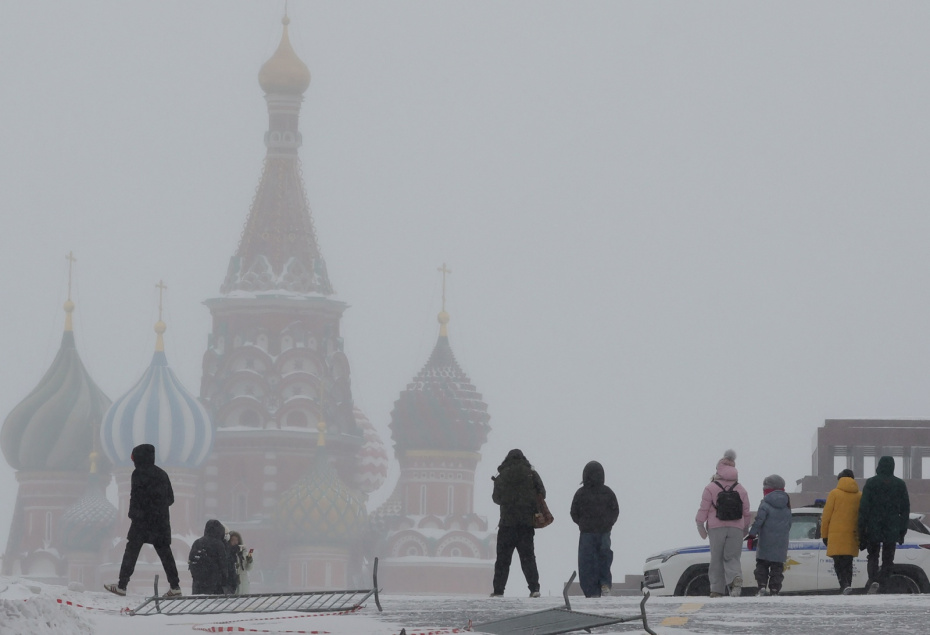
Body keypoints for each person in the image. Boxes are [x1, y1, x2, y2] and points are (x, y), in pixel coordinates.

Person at [104, 444, 182, 597]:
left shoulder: (138, 474)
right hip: (161, 522)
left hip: (142, 522)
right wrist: (158, 508)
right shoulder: (162, 474)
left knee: (131, 552)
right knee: (166, 554)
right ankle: (175, 586)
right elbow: (170, 499)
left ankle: (122, 585)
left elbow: (136, 496)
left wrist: (134, 514)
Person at [695, 449, 751, 597]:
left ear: (718, 469)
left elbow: (704, 508)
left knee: (716, 558)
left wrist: (700, 524)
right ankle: (735, 579)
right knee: (732, 557)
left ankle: (716, 590)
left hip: (716, 527)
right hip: (736, 528)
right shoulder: (741, 489)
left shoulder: (711, 487)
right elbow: (746, 511)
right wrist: (745, 528)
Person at [491, 449, 546, 598]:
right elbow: (542, 493)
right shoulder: (531, 473)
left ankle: (498, 590)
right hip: (525, 524)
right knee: (528, 558)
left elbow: (496, 498)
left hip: (507, 524)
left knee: (503, 560)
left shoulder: (502, 475)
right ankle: (534, 588)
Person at [858, 456, 910, 594]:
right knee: (888, 559)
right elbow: (905, 510)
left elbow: (863, 509)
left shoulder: (871, 483)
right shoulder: (899, 484)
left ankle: (873, 580)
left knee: (873, 555)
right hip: (892, 527)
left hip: (873, 526)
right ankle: (884, 583)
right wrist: (902, 531)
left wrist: (862, 530)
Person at [570, 460, 619, 598]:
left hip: (587, 533)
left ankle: (590, 591)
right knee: (604, 559)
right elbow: (615, 510)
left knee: (587, 563)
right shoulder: (608, 492)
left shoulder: (580, 493)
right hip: (604, 532)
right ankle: (605, 584)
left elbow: (573, 513)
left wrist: (582, 523)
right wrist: (608, 524)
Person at [746, 474, 792, 596]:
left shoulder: (765, 503)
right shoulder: (787, 503)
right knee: (777, 567)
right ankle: (775, 589)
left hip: (766, 540)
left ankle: (762, 586)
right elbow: (789, 523)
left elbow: (758, 521)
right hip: (781, 541)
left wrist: (751, 535)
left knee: (762, 565)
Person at [821, 468, 861, 594]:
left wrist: (824, 535)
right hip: (852, 534)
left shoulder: (834, 493)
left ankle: (843, 585)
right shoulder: (859, 495)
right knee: (848, 562)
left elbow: (826, 517)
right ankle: (847, 584)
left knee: (838, 562)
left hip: (836, 535)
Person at [188, 519, 232, 595]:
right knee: (213, 605)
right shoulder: (219, 544)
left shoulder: (197, 542)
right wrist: (225, 581)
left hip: (198, 584)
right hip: (215, 585)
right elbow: (223, 564)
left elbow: (191, 560)